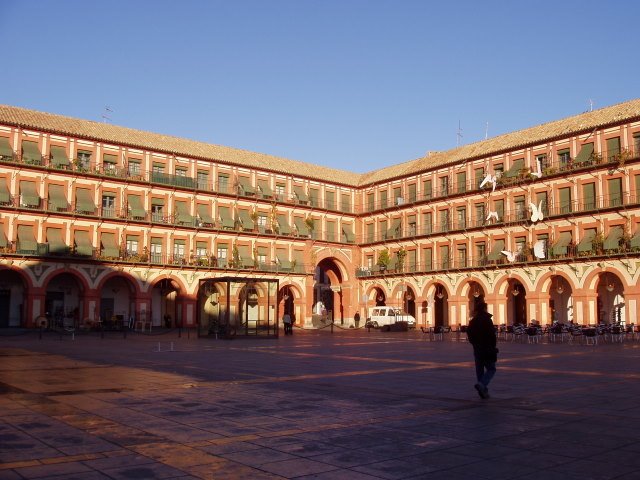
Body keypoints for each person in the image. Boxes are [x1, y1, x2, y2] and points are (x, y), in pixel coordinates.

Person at [467, 301, 498, 399]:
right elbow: (491, 335)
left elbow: (469, 333)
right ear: (484, 308)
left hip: (477, 348)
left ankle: (483, 391)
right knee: (491, 369)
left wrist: (474, 343)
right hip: (487, 348)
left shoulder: (473, 321)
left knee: (479, 370)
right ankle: (482, 384)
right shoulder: (487, 320)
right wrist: (493, 347)